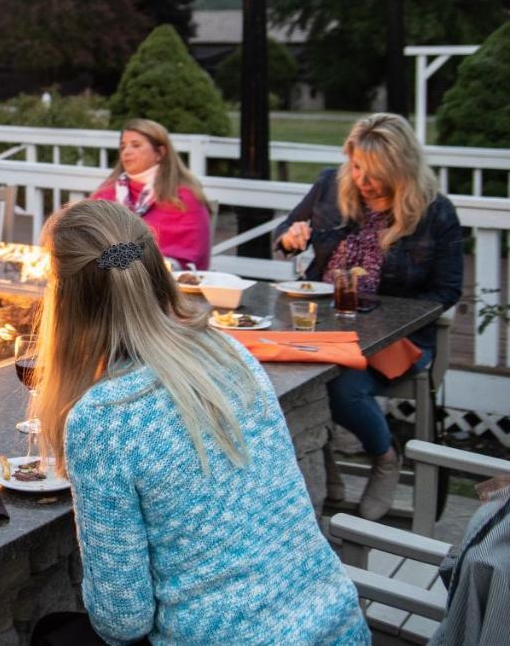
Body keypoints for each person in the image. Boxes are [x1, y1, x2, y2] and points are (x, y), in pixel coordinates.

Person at [30, 199, 368, 645]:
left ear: (66, 300)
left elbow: (122, 621)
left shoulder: (103, 420)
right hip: (339, 628)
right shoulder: (230, 351)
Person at [274, 113, 463, 520]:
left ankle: (385, 457)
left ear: (401, 168)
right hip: (323, 321)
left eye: (374, 172)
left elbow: (447, 291)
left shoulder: (435, 213)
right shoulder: (330, 185)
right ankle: (321, 467)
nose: (362, 180)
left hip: (395, 335)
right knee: (282, 373)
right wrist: (289, 239)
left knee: (340, 385)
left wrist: (384, 317)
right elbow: (287, 233)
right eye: (357, 166)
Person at [89, 118, 212, 269]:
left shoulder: (183, 198)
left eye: (136, 145)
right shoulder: (105, 194)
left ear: (160, 152)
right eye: (123, 147)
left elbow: (187, 258)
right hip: (105, 280)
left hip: (161, 284)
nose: (126, 152)